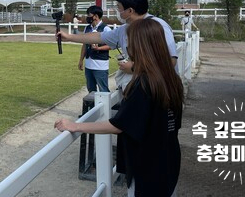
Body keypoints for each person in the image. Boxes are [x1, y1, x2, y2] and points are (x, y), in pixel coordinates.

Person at [55, 18, 184, 197]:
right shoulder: (171, 79)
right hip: (168, 158)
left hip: (147, 165)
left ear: (141, 46)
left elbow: (119, 125)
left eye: (131, 42)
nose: (128, 47)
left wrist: (76, 126)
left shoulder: (145, 84)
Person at [58, 0, 177, 92]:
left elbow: (170, 61)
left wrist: (134, 68)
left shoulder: (158, 26)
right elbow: (99, 36)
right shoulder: (125, 29)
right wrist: (69, 37)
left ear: (130, 11)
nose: (117, 11)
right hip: (141, 90)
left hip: (160, 92)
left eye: (119, 8)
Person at [78, 6, 112, 92]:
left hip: (101, 65)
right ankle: (92, 106)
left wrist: (99, 48)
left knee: (103, 90)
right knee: (91, 90)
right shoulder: (87, 28)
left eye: (89, 15)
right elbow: (84, 45)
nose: (87, 17)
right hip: (88, 65)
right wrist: (81, 60)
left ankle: (105, 106)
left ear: (95, 16)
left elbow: (112, 45)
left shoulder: (106, 29)